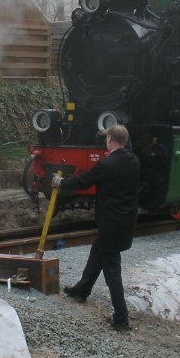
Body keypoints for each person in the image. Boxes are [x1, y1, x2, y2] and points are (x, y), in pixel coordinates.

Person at [53, 124, 140, 332]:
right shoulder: (134, 161)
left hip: (110, 222)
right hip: (125, 221)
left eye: (107, 138)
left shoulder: (107, 164)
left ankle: (121, 318)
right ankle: (81, 291)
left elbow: (84, 181)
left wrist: (61, 183)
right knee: (98, 251)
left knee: (112, 270)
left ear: (110, 139)